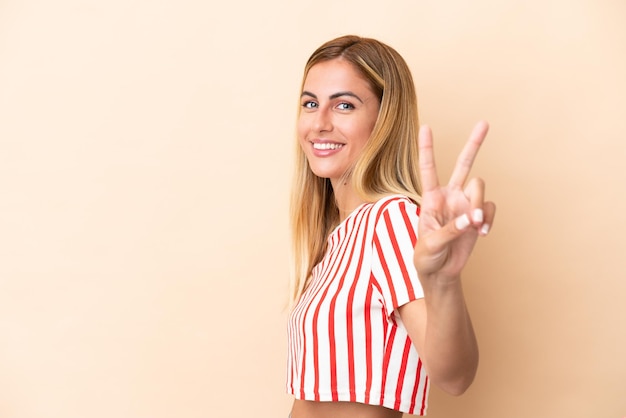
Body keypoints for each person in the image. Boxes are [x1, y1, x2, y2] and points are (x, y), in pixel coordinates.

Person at [286, 35, 496, 418]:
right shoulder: (337, 236)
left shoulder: (391, 220)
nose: (320, 123)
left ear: (384, 120)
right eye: (310, 104)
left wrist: (444, 281)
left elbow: (454, 376)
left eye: (344, 105)